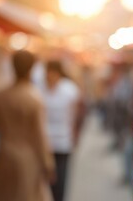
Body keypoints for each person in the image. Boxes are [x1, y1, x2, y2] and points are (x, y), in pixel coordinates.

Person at [0, 50, 55, 201]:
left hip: (4, 154)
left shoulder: (0, 96)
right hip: (28, 157)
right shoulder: (34, 98)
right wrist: (48, 163)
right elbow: (40, 135)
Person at [39, 60, 83, 201]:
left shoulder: (70, 90)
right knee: (45, 179)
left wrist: (75, 134)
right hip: (44, 141)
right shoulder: (39, 89)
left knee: (61, 178)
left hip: (63, 140)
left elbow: (77, 114)